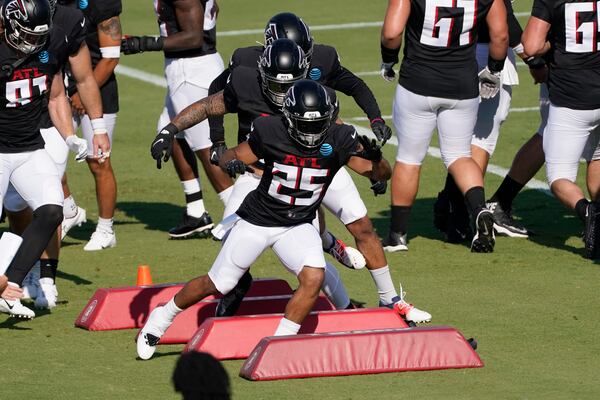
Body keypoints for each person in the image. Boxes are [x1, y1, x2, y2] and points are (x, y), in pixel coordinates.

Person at [138, 80, 430, 360]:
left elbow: (380, 175)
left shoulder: (339, 139)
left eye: (318, 124)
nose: (312, 131)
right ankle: (163, 316)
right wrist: (233, 162)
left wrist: (377, 158)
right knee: (219, 282)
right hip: (258, 220)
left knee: (314, 277)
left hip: (297, 224)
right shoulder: (269, 130)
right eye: (306, 124)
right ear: (289, 118)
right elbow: (229, 156)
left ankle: (279, 343)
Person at [3, 0, 109, 309]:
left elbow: (58, 92)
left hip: (32, 141)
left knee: (52, 209)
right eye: (27, 34)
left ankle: (23, 280)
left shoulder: (56, 34)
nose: (34, 42)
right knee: (12, 209)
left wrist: (73, 134)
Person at [380, 0, 508, 253]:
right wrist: (494, 70)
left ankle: (397, 235)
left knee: (409, 158)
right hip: (462, 83)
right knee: (459, 155)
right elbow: (501, 35)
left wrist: (388, 60)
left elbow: (392, 33)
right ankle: (480, 210)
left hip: (418, 82)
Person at [121, 0, 233, 239]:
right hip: (190, 68)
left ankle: (238, 214)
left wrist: (143, 43)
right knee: (168, 130)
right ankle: (195, 212)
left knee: (206, 149)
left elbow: (194, 37)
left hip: (191, 72)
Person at [433, 0, 542, 242]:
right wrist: (533, 59)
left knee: (460, 136)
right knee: (481, 138)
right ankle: (460, 215)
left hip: (446, 53)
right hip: (485, 51)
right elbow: (504, 25)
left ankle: (448, 203)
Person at [522, 0, 600, 258]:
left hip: (571, 97)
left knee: (559, 177)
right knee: (598, 156)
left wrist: (552, 43)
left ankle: (587, 211)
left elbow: (532, 45)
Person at [59, 0, 121, 252]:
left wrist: (82, 94)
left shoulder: (102, 3)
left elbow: (110, 58)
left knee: (99, 162)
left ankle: (106, 229)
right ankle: (68, 209)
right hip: (59, 88)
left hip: (98, 89)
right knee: (48, 158)